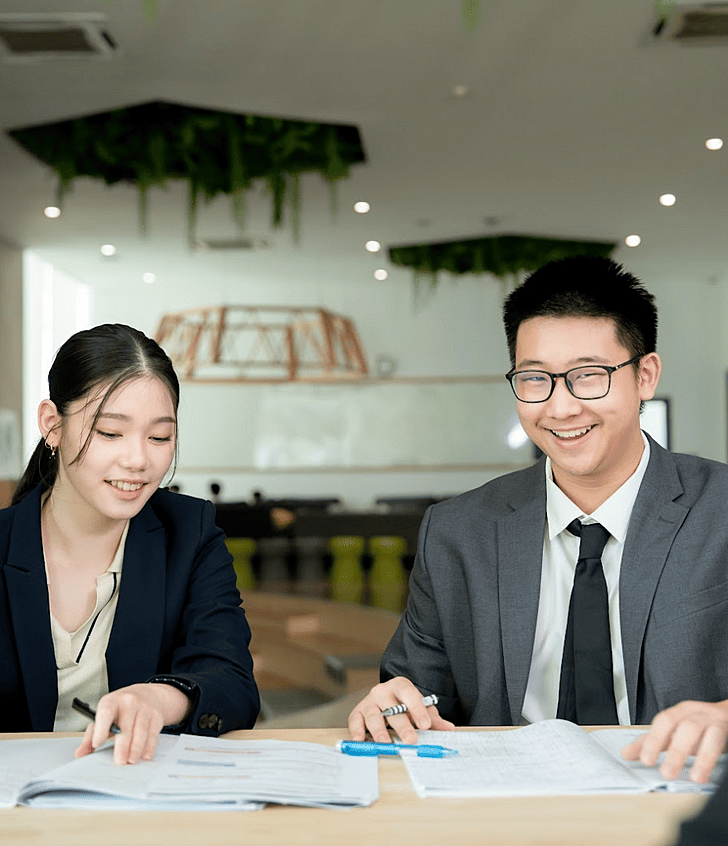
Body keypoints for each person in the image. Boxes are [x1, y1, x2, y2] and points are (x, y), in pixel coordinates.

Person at [348, 256, 728, 786]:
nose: (561, 407)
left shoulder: (720, 511)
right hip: (506, 805)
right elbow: (416, 687)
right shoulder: (459, 531)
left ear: (645, 376)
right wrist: (394, 705)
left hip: (682, 797)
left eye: (589, 376)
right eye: (535, 379)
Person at [0, 324, 259, 764]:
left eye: (159, 437)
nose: (138, 460)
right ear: (52, 425)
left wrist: (160, 699)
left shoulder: (190, 532)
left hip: (135, 797)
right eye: (110, 433)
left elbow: (231, 678)